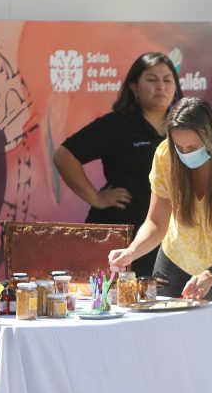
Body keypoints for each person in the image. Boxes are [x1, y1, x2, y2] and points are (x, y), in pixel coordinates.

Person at [108, 97, 212, 314]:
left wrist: (210, 274)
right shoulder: (165, 155)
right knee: (163, 329)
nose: (185, 153)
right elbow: (156, 222)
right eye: (179, 146)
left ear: (211, 138)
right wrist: (131, 252)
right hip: (177, 256)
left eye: (193, 146)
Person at [54, 52, 183, 278]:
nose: (160, 86)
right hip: (121, 235)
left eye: (167, 80)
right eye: (152, 80)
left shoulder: (184, 126)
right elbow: (64, 155)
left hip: (169, 238)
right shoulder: (117, 124)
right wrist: (96, 198)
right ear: (133, 87)